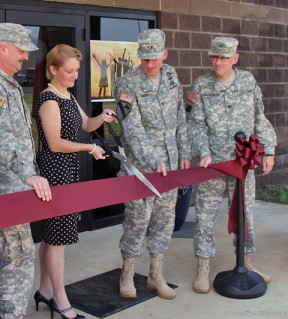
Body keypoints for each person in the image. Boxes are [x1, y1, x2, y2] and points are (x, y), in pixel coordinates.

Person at [0, 22, 52, 319]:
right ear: (2, 47)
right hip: (5, 187)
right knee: (16, 258)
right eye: (20, 50)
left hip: (12, 186)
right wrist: (27, 173)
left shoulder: (6, 82)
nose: (25, 58)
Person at [186, 37, 277, 293]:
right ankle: (203, 267)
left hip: (242, 164)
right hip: (212, 165)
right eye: (214, 57)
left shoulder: (248, 81)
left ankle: (247, 263)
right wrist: (202, 152)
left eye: (224, 58)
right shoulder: (202, 84)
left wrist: (268, 150)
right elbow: (196, 124)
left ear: (235, 58)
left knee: (245, 215)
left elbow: (260, 117)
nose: (218, 62)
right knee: (204, 216)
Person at [33, 44, 116, 319]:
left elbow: (86, 125)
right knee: (58, 241)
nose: (74, 75)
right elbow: (55, 144)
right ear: (53, 69)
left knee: (52, 238)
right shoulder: (48, 100)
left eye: (77, 70)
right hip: (55, 173)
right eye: (69, 71)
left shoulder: (66, 95)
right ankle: (60, 299)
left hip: (67, 173)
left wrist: (101, 117)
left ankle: (45, 291)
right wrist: (89, 149)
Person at [114, 28, 191, 300]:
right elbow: (132, 130)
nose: (149, 64)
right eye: (145, 58)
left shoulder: (171, 75)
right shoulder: (127, 84)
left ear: (165, 55)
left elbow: (180, 115)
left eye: (155, 58)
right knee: (137, 222)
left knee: (163, 221)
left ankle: (155, 274)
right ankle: (127, 272)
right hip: (141, 170)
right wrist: (154, 158)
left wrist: (183, 150)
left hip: (168, 167)